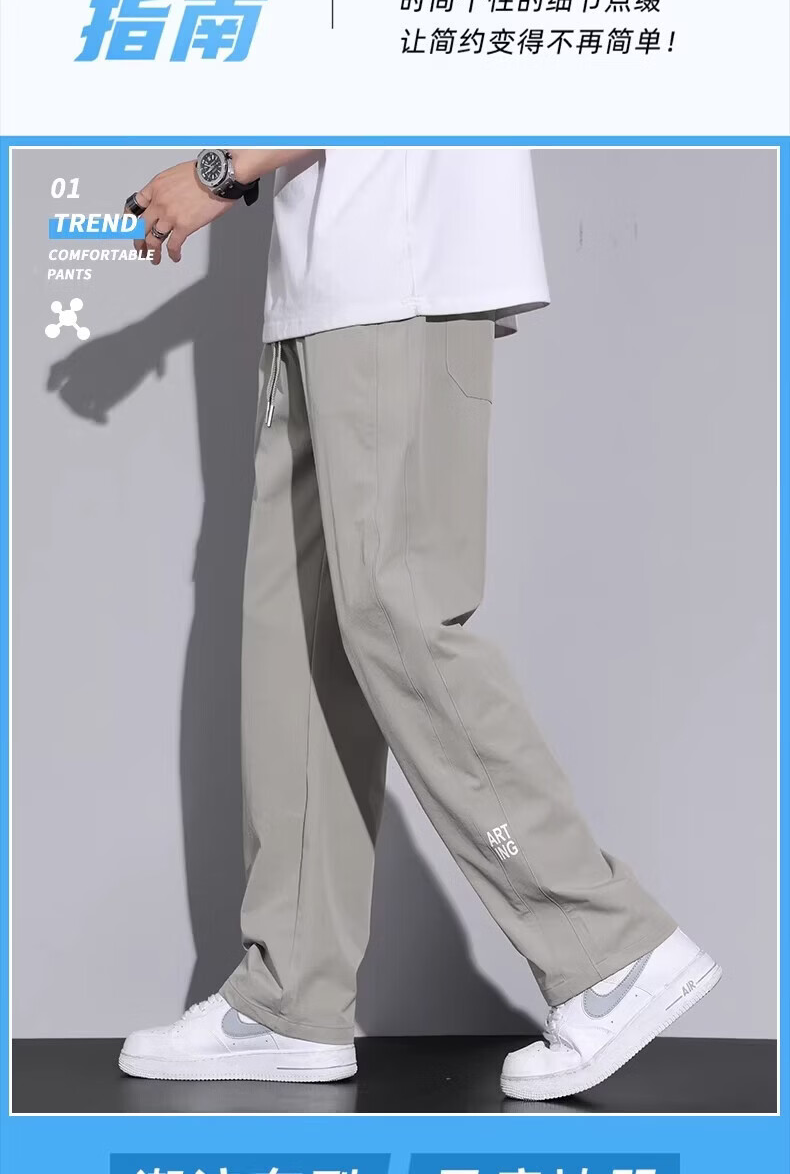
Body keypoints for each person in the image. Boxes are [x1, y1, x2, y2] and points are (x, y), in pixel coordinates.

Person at [117, 148, 720, 1102]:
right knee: (298, 641)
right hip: (331, 278)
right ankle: (290, 997)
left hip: (397, 267)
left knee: (395, 614)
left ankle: (607, 946)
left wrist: (223, 172)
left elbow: (386, 64)